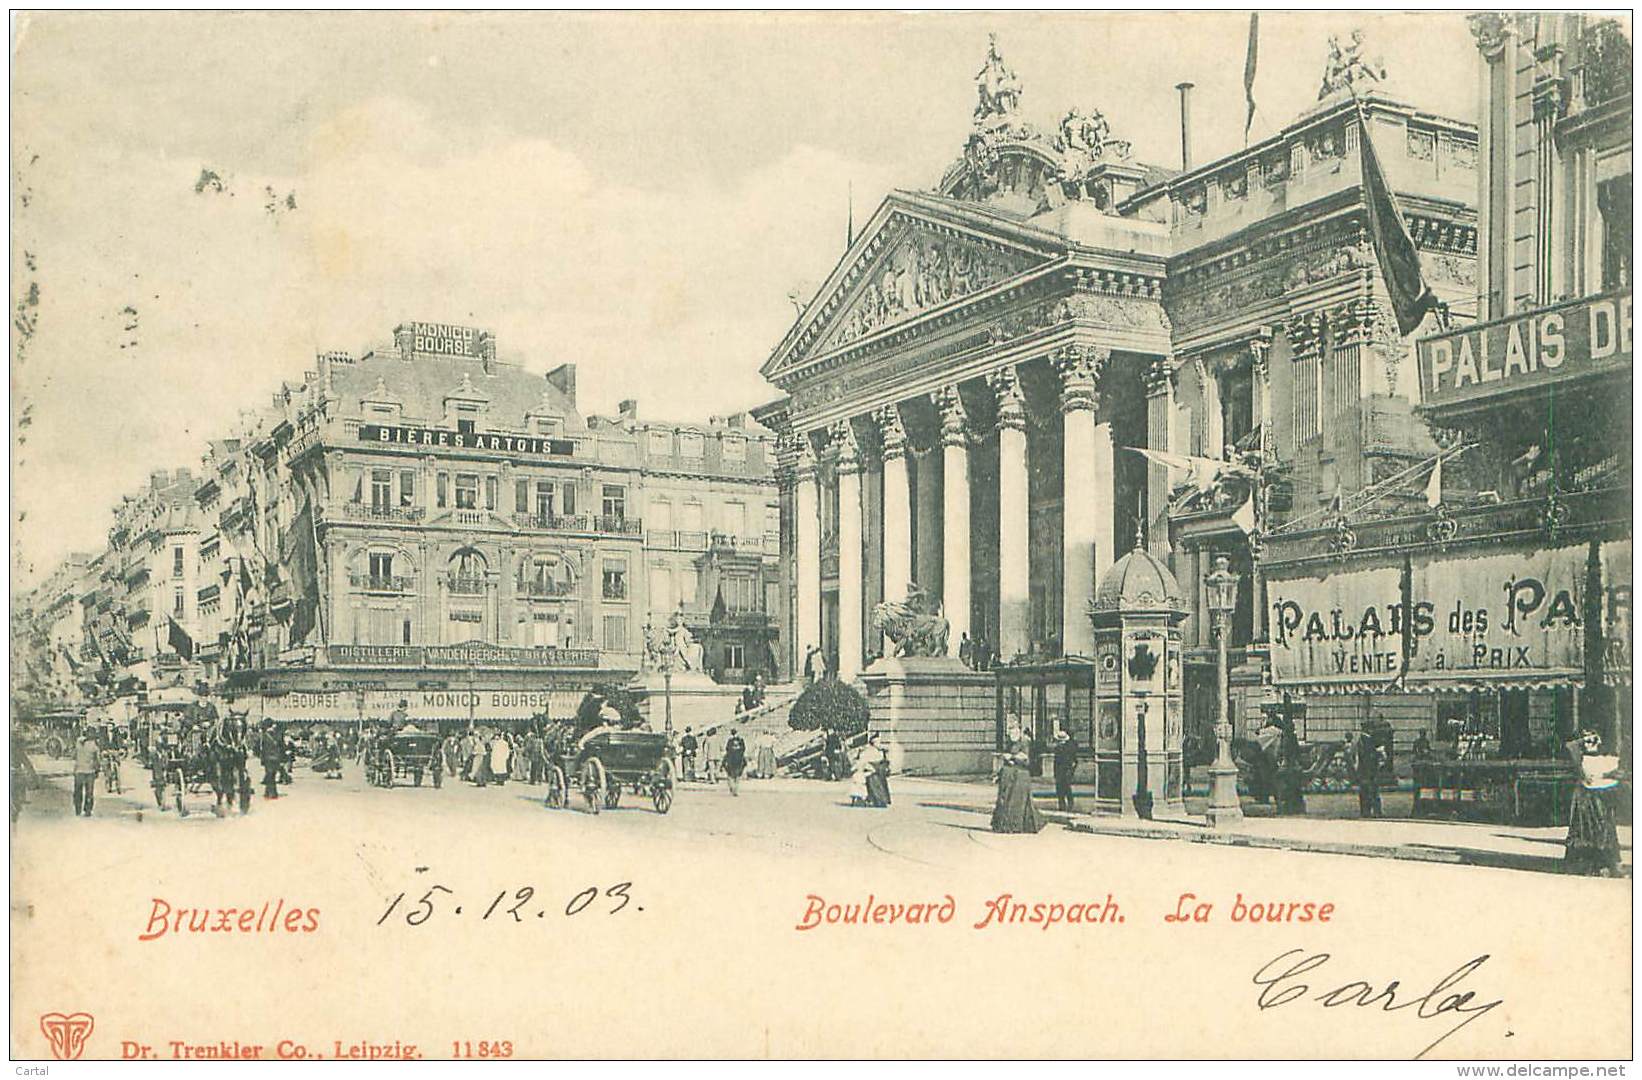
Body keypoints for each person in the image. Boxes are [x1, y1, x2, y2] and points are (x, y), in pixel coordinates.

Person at [1565, 729, 1623, 876]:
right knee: (1585, 831)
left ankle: (1605, 864)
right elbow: (1571, 746)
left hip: (1601, 799)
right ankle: (1587, 865)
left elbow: (1615, 776)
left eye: (1593, 740)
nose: (1591, 744)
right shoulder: (1579, 757)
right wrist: (1584, 740)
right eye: (1587, 740)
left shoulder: (1605, 759)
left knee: (1603, 831)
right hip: (1584, 799)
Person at [991, 723, 1044, 834]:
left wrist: (1012, 757)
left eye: (1014, 731)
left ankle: (1016, 826)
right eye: (1010, 732)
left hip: (1020, 776)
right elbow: (1006, 756)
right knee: (1005, 800)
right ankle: (1003, 825)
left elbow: (1026, 758)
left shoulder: (1024, 742)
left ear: (1019, 731)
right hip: (1009, 775)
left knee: (1016, 802)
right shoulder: (1010, 742)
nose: (1011, 734)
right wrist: (999, 774)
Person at [1349, 724, 1385, 819]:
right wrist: (1379, 754)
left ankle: (1366, 811)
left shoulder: (1360, 740)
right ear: (1368, 729)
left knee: (1365, 791)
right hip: (1369, 770)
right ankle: (1376, 811)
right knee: (1372, 790)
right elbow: (1370, 755)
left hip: (1363, 770)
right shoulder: (1368, 740)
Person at [72, 728, 101, 817]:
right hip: (90, 771)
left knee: (78, 791)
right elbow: (97, 760)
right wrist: (97, 770)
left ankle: (78, 809)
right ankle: (87, 810)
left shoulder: (78, 743)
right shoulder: (94, 745)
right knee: (89, 792)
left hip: (78, 771)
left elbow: (73, 755)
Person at [1050, 724, 1078, 812]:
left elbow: (1072, 760)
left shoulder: (1067, 747)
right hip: (1062, 771)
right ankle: (1064, 804)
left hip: (1065, 770)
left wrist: (1071, 770)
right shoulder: (1061, 748)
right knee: (1062, 788)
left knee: (1064, 787)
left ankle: (1067, 804)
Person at [258, 722, 283, 800]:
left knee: (270, 774)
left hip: (268, 758)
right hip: (275, 758)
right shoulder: (277, 735)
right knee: (272, 774)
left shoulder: (263, 736)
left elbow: (258, 748)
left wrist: (262, 758)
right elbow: (282, 747)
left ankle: (269, 792)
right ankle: (271, 793)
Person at [723, 728, 747, 796]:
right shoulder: (740, 740)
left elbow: (727, 749)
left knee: (730, 775)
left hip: (731, 759)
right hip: (739, 759)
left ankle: (732, 787)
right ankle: (735, 789)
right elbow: (743, 749)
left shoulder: (730, 741)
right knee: (737, 775)